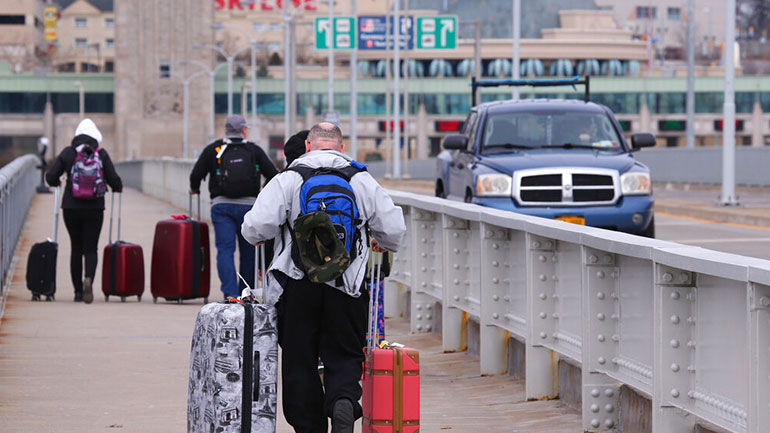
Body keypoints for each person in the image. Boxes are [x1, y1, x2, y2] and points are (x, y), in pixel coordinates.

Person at [241, 122, 406, 433]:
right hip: (347, 283)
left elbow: (255, 227)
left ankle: (308, 425)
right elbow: (394, 230)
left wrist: (266, 234)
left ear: (307, 145)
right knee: (345, 352)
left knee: (299, 357)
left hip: (296, 283)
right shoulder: (359, 178)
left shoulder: (289, 177)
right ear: (341, 147)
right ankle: (343, 400)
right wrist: (381, 241)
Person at [189, 114, 278, 300]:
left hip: (221, 207)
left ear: (226, 130)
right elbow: (274, 174)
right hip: (249, 209)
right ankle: (246, 294)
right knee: (249, 252)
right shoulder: (253, 150)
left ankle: (230, 294)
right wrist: (263, 190)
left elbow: (196, 174)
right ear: (243, 130)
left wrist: (194, 188)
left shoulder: (214, 149)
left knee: (225, 250)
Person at [46, 118, 123, 303]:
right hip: (95, 208)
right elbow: (115, 180)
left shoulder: (69, 152)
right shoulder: (101, 154)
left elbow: (51, 176)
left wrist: (57, 182)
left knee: (76, 248)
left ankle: (78, 292)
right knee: (91, 248)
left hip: (71, 207)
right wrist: (116, 187)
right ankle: (88, 278)